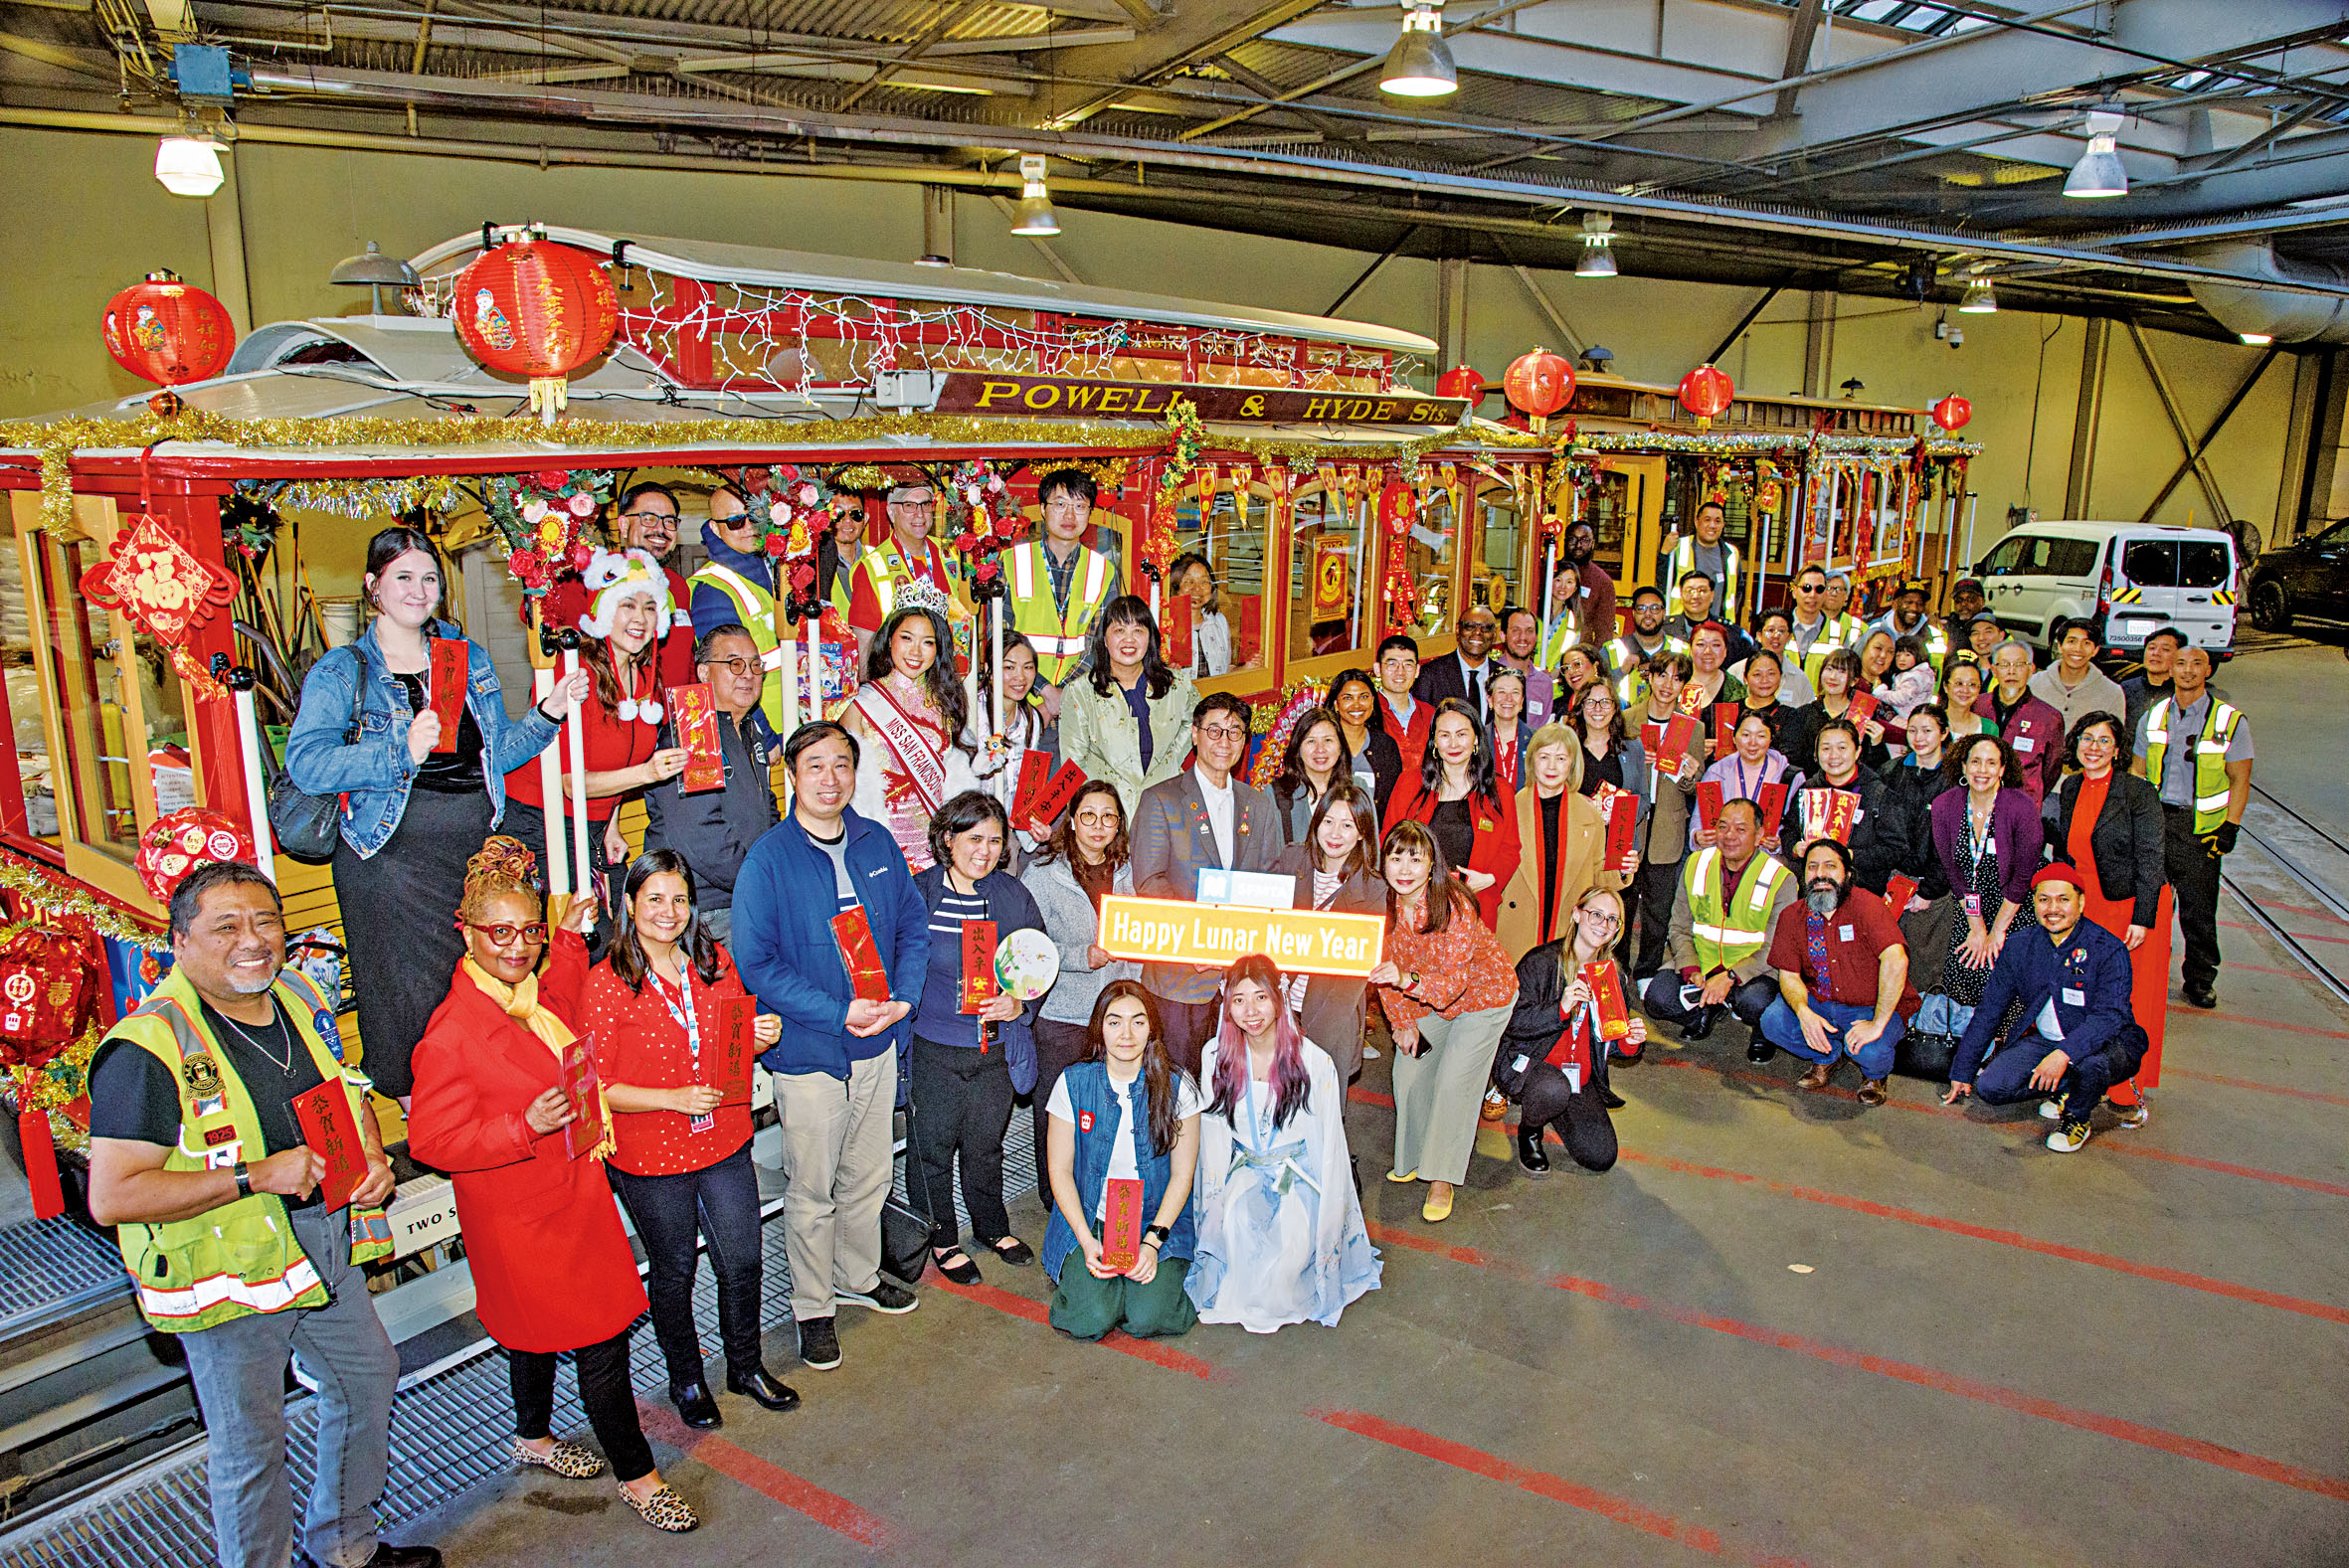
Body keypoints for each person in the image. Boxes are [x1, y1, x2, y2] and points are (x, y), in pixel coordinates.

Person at [86, 863, 428, 1568]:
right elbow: (113, 1195)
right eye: (227, 926)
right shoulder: (144, 1048)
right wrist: (251, 1177)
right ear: (178, 941)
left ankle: (344, 1544)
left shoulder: (296, 995)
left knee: (367, 1378)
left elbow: (345, 1085)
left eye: (265, 921)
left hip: (320, 1243)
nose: (253, 940)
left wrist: (369, 1156)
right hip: (228, 1273)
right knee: (251, 1447)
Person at [406, 840, 696, 1533]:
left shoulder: (531, 996)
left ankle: (532, 1437)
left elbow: (560, 989)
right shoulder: (453, 1032)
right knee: (600, 1342)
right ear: (466, 932)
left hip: (571, 1200)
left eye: (528, 931)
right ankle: (639, 1475)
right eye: (499, 933)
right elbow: (430, 1140)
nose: (517, 946)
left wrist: (567, 936)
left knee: (532, 1337)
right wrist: (520, 1124)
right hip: (522, 1218)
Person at [285, 526, 579, 1105]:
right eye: (403, 578)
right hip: (389, 863)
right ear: (373, 587)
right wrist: (400, 752)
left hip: (472, 852)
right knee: (404, 998)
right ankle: (424, 1113)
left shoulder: (463, 656)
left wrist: (548, 713)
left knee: (477, 982)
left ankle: (482, 1102)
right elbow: (307, 764)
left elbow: (497, 753)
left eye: (429, 579)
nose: (419, 591)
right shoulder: (343, 670)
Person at [731, 721, 925, 1373]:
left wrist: (903, 997)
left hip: (879, 1041)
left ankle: (859, 1275)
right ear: (792, 775)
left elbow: (913, 928)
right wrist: (839, 1010)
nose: (830, 778)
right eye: (815, 765)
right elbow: (757, 965)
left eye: (841, 764)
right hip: (812, 1050)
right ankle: (813, 1307)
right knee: (812, 1190)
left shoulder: (876, 843)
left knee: (870, 1174)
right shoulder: (769, 859)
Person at [582, 850, 796, 1430]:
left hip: (723, 1138)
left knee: (744, 1258)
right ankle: (686, 1379)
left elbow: (728, 1045)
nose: (668, 912)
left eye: (679, 899)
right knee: (674, 1270)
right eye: (654, 898)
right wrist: (671, 1098)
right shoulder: (606, 983)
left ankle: (744, 1365)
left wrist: (758, 1036)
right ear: (628, 905)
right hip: (650, 1151)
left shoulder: (714, 961)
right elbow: (596, 1087)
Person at [1187, 956, 1381, 1330]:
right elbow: (1212, 1138)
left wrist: (1330, 1216)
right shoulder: (1215, 1055)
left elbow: (1329, 1146)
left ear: (1279, 997)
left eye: (1260, 997)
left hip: (1298, 1178)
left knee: (1289, 1256)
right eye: (1239, 1000)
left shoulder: (1313, 1061)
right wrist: (1211, 1206)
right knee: (1238, 1227)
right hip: (1243, 1172)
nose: (1251, 1011)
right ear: (1227, 1004)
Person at [502, 547, 692, 904]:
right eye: (627, 605)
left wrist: (612, 822)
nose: (640, 618)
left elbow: (619, 757)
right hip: (542, 824)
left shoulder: (644, 674)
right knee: (581, 938)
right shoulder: (574, 672)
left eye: (650, 607)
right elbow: (573, 782)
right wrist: (648, 773)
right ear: (605, 611)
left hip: (594, 824)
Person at [908, 791, 1044, 1285]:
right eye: (973, 838)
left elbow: (1037, 964)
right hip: (934, 1046)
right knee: (934, 1148)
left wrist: (1020, 1005)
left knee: (987, 1145)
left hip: (995, 1046)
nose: (984, 850)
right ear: (948, 839)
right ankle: (942, 1237)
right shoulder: (919, 894)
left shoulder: (1011, 895)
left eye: (994, 839)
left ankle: (991, 1226)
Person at [1368, 820, 1521, 1223]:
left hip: (1483, 998)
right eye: (1395, 856)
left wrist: (1405, 982)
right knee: (1408, 1071)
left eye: (1415, 858)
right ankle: (1416, 1157)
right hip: (1428, 1000)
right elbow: (1378, 970)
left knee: (1456, 1082)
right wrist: (1401, 1021)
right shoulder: (1381, 903)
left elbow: (1452, 985)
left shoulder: (1454, 904)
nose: (1404, 868)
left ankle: (1443, 1178)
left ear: (1432, 862)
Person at [1942, 865, 2148, 1153]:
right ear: (2034, 903)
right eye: (2044, 899)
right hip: (2047, 1040)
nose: (2053, 908)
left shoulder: (2108, 949)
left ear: (2081, 903)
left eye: (2063, 899)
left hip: (2110, 1043)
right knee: (1991, 1087)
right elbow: (1990, 1010)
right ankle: (2069, 1086)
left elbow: (2108, 1017)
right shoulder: (2019, 946)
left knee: (2091, 1066)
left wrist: (2064, 1054)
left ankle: (2077, 1117)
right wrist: (1963, 1068)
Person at [1130, 694, 1284, 1073]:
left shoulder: (1258, 804)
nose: (1225, 741)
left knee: (1237, 1087)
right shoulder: (1161, 799)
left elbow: (1271, 879)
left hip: (1244, 982)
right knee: (1176, 1091)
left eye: (1235, 732)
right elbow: (1150, 882)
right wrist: (1198, 942)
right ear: (1195, 735)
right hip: (1181, 979)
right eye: (1214, 730)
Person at [1042, 982, 1202, 1341]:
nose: (1126, 1034)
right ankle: (1102, 1289)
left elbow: (1182, 1176)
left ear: (1152, 1029)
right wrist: (1086, 1240)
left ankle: (1143, 1286)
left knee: (1150, 1318)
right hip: (1091, 1218)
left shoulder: (1180, 1087)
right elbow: (1059, 1171)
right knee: (1088, 1319)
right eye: (1114, 1022)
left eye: (1138, 1022)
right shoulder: (1072, 1083)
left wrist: (1151, 1242)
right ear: (1099, 1028)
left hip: (1157, 1221)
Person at [2049, 711, 2168, 1127]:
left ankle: (2126, 1088)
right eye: (2086, 738)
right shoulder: (2071, 787)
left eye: (2104, 741)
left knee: (2128, 999)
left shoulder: (2137, 792)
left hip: (2130, 905)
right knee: (2082, 992)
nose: (2093, 748)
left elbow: (2152, 858)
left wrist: (2143, 916)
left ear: (2118, 750)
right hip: (2086, 904)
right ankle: (2084, 1079)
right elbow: (2065, 853)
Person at [1020, 780, 1141, 1193]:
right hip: (1062, 1016)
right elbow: (1025, 944)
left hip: (1119, 1015)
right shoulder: (1042, 872)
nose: (1098, 826)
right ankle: (1054, 1197)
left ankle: (1099, 1192)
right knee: (1057, 1113)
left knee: (1109, 1109)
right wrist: (1078, 956)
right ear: (1071, 821)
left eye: (1109, 817)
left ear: (1119, 824)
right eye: (1088, 815)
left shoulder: (1131, 869)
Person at [641, 622, 778, 946]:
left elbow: (767, 808)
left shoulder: (748, 728)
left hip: (745, 895)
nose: (748, 674)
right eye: (734, 664)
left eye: (756, 665)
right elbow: (700, 835)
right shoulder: (695, 730)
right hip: (707, 909)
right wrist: (762, 881)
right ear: (703, 673)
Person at [2133, 641, 2252, 1010]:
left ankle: (2200, 978)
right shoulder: (2152, 717)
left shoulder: (2229, 721)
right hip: (2156, 822)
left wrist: (2229, 827)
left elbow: (2240, 779)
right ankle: (2142, 970)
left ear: (2208, 671)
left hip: (2199, 830)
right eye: (2180, 663)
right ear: (2170, 670)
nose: (2186, 670)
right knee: (2148, 901)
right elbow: (2137, 773)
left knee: (2198, 909)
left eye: (2195, 664)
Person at [1496, 886, 1645, 1174]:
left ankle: (1553, 1106)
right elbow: (1511, 1022)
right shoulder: (1540, 962)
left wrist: (1629, 1041)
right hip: (1532, 1064)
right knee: (1552, 1088)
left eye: (1613, 920)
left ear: (1618, 930)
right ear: (1577, 914)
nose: (1604, 925)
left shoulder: (1611, 975)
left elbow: (1610, 1042)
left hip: (1578, 1075)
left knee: (1601, 1156)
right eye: (1596, 915)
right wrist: (1560, 1008)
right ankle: (1530, 1129)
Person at [1759, 838, 1915, 1106]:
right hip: (1819, 1003)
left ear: (1848, 874)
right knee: (1772, 1021)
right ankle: (1828, 1058)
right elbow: (1788, 975)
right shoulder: (1792, 915)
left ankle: (1874, 1076)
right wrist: (1803, 1012)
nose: (1820, 875)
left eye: (1830, 866)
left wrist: (1877, 1023)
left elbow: (1896, 960)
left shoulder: (1868, 906)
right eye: (1812, 867)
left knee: (1873, 1052)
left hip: (1870, 1008)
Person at [1642, 796, 1795, 1054]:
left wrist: (1731, 976)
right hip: (1703, 964)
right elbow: (1679, 926)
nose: (1729, 835)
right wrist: (1690, 967)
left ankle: (1762, 1030)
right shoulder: (1696, 864)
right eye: (1723, 826)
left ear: (1759, 835)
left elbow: (1777, 945)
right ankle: (1706, 1010)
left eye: (1741, 829)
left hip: (1754, 973)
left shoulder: (1781, 879)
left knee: (1755, 1003)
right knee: (1657, 999)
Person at [843, 603, 982, 873]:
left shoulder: (946, 704)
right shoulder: (860, 704)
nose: (916, 651)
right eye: (906, 638)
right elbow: (850, 786)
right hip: (878, 841)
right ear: (889, 640)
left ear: (938, 649)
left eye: (927, 642)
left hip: (934, 844)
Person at [1272, 784, 1387, 1083]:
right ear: (1317, 823)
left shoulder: (1374, 889)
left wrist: (1311, 1042)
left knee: (1322, 1117)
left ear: (1362, 832)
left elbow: (1351, 982)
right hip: (1276, 1012)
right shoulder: (1290, 861)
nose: (1335, 834)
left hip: (1329, 1022)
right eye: (1328, 822)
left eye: (1348, 825)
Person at [537, 481, 697, 689]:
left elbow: (687, 660)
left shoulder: (677, 586)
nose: (661, 529)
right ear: (623, 525)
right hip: (614, 713)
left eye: (669, 521)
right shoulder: (595, 576)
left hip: (675, 715)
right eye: (648, 519)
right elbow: (541, 614)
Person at [1928, 733, 2044, 1019]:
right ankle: (1966, 1044)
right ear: (1963, 767)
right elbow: (1956, 874)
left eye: (1991, 763)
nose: (1983, 770)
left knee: (2006, 974)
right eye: (1975, 762)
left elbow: (2022, 877)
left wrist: (1998, 931)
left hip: (2015, 906)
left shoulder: (2021, 807)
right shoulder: (1944, 805)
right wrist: (1977, 927)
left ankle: (2003, 1051)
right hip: (1972, 906)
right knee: (1966, 965)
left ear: (2003, 770)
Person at [1383, 698, 1522, 931]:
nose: (1454, 743)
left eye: (1461, 734)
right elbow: (1387, 840)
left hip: (1474, 904)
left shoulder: (1499, 791)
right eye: (1445, 735)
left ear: (1476, 738)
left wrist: (1489, 879)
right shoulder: (1409, 784)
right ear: (1434, 741)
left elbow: (1511, 849)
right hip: (1414, 906)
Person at [1056, 594, 1200, 816]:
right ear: (1104, 639)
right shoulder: (1080, 693)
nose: (1129, 640)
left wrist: (1171, 759)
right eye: (1119, 631)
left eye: (1138, 631)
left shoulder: (1177, 685)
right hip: (1107, 814)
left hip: (1165, 805)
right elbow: (1074, 766)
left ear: (1150, 638)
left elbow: (1195, 721)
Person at [1003, 468, 1120, 720]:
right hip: (1019, 703)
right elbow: (1000, 638)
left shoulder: (1103, 570)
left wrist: (1060, 697)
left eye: (1079, 505)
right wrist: (1044, 690)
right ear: (1043, 509)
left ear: (1090, 512)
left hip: (1080, 705)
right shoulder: (1012, 562)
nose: (1069, 514)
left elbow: (1101, 644)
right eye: (1060, 504)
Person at [1496, 720, 1610, 960]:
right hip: (1518, 927)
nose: (1552, 766)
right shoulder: (1509, 808)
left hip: (1567, 928)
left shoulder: (1590, 815)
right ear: (1532, 761)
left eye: (1561, 758)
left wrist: (1622, 869)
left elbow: (1600, 875)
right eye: (1544, 756)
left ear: (1572, 764)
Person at [1624, 653, 1706, 982]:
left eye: (1676, 679)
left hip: (1668, 826)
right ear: (1650, 678)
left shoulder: (1693, 728)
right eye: (1662, 676)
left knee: (1659, 909)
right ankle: (1616, 968)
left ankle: (1646, 971)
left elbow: (1693, 787)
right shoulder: (1629, 719)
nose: (1667, 685)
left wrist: (1689, 775)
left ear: (1683, 686)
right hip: (1631, 823)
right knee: (1624, 902)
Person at [687, 483, 789, 731]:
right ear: (715, 528)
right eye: (735, 521)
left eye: (755, 516)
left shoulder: (771, 566)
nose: (749, 527)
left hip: (795, 722)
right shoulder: (712, 589)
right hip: (762, 732)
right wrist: (763, 734)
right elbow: (723, 678)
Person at [1883, 703, 1956, 992]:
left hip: (1934, 884)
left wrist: (1930, 889)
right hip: (1896, 876)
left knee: (1924, 957)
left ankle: (1923, 1020)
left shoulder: (1955, 778)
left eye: (1927, 730)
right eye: (1912, 730)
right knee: (1890, 951)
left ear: (1944, 733)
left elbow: (1951, 840)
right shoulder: (1892, 771)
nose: (1919, 737)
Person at [848, 479, 961, 660]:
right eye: (909, 505)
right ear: (891, 513)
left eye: (925, 504)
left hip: (949, 674)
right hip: (896, 681)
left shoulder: (950, 554)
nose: (920, 515)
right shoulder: (870, 567)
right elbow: (864, 651)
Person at [971, 631, 1055, 871]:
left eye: (1028, 667)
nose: (1020, 677)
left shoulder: (1031, 721)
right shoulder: (970, 713)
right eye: (1009, 667)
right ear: (989, 668)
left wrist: (1035, 826)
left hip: (1007, 842)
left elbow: (1026, 787)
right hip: (970, 834)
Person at [1801, 717, 1903, 896]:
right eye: (1826, 748)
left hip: (1863, 892)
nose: (1834, 755)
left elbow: (1895, 849)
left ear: (1857, 752)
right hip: (1814, 891)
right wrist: (1794, 847)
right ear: (1816, 754)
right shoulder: (1808, 789)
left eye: (1842, 748)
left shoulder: (1879, 793)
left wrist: (1851, 855)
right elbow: (1790, 831)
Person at [1697, 712, 1803, 857]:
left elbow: (1794, 830)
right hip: (1723, 858)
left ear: (1771, 739)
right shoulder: (1716, 772)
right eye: (1746, 735)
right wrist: (1697, 836)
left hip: (1767, 861)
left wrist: (1779, 843)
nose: (1752, 743)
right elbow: (1699, 817)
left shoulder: (1790, 777)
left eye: (1761, 736)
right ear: (1734, 738)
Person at [1977, 638, 2066, 802]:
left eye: (2019, 665)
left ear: (2031, 669)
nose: (2011, 671)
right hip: (1979, 800)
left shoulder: (2049, 717)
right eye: (2004, 665)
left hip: (2023, 803)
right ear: (1994, 670)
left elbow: (2051, 770)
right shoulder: (1977, 706)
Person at [1327, 666, 1406, 816]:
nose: (1357, 705)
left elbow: (1394, 803)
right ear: (1336, 704)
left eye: (1364, 697)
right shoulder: (1324, 745)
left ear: (1373, 701)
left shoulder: (1386, 746)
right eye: (1347, 698)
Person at [1272, 706, 1354, 847]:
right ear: (1298, 748)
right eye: (1311, 741)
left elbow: (1370, 852)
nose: (1320, 749)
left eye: (1328, 740)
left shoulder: (1357, 789)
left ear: (1340, 747)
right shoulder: (1277, 794)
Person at [1570, 679, 1650, 819]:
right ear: (1581, 708)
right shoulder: (1567, 748)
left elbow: (1643, 798)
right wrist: (1574, 801)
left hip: (1619, 837)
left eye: (1605, 702)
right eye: (1590, 702)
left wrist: (1621, 816)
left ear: (1615, 708)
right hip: (1578, 836)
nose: (1598, 708)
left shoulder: (1633, 747)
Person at [2029, 618, 2125, 733]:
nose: (2078, 649)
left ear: (2095, 650)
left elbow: (2114, 738)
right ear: (2060, 645)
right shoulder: (2033, 684)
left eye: (2086, 643)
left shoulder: (2112, 693)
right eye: (2072, 641)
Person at [1602, 586, 1684, 708]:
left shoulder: (1682, 650)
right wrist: (1622, 671)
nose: (1648, 614)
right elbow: (1594, 691)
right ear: (1633, 613)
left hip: (1668, 722)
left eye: (1655, 608)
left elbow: (1693, 694)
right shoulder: (1611, 649)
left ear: (1664, 613)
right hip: (1622, 721)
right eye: (1641, 609)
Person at [1724, 646, 1810, 765]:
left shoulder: (1791, 716)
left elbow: (1790, 758)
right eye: (1757, 675)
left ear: (1780, 677)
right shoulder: (1729, 710)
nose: (1764, 680)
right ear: (1745, 678)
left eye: (1771, 674)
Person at [1810, 647, 1889, 773]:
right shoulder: (1805, 713)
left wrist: (1877, 744)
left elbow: (1878, 767)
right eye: (1829, 669)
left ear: (1854, 681)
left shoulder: (1863, 713)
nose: (1832, 677)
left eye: (1842, 672)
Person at [1662, 499, 1741, 622]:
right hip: (1683, 626)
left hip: (1718, 627)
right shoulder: (1678, 547)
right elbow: (1661, 581)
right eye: (1707, 520)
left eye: (1717, 521)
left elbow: (1738, 590)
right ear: (1697, 522)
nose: (1712, 525)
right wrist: (1664, 553)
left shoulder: (1731, 553)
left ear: (1723, 525)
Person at [1786, 564, 1865, 682]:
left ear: (1824, 594)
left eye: (1819, 589)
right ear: (1795, 591)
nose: (1812, 595)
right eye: (1806, 588)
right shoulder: (1777, 627)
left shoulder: (1840, 634)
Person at [1414, 603, 1501, 709]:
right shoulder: (1431, 674)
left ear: (1494, 635)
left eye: (1486, 627)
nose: (1478, 632)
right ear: (1458, 630)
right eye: (1469, 626)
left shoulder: (1504, 678)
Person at [1373, 634, 1434, 776]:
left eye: (1408, 665)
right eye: (1392, 664)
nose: (1400, 672)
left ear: (1417, 671)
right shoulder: (1368, 713)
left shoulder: (1430, 714)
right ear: (1378, 669)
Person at [1169, 551, 1233, 679]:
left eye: (1204, 582)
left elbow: (1227, 669)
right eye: (1188, 581)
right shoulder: (1165, 626)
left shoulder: (1219, 622)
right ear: (1175, 586)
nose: (1197, 589)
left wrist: (1246, 668)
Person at [1664, 573, 1753, 664]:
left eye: (1702, 591)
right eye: (1690, 591)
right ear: (1681, 596)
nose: (1695, 596)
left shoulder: (1731, 632)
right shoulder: (1664, 629)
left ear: (1712, 596)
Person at [1736, 609, 1819, 707]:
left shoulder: (1800, 680)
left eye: (1781, 631)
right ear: (1759, 635)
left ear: (1789, 637)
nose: (1776, 636)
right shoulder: (1736, 671)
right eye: (1770, 630)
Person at [1496, 605, 1559, 723]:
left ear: (1536, 637)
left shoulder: (1544, 684)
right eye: (1516, 630)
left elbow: (1541, 733)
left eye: (1529, 631)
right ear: (1503, 636)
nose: (1523, 637)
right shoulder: (1489, 676)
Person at [2120, 625, 2187, 733]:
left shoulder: (2185, 693)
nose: (2156, 653)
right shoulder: (2124, 689)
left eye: (2165, 649)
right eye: (2151, 648)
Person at [1870, 578, 1948, 669]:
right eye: (1908, 602)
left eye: (1919, 604)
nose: (1914, 608)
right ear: (1895, 604)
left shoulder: (1934, 636)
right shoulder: (1875, 629)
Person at [1560, 518, 1619, 640]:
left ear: (1593, 544)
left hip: (1580, 653)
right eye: (1573, 539)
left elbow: (1604, 634)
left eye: (1585, 540)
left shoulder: (1603, 582)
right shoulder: (1550, 571)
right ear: (1565, 542)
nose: (1578, 545)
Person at [816, 497, 867, 624]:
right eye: (839, 514)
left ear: (865, 519)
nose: (847, 521)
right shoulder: (815, 566)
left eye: (855, 514)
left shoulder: (876, 560)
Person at [1486, 666, 1533, 796]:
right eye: (1501, 692)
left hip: (1525, 814)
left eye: (1515, 692)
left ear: (1522, 701)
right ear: (1490, 700)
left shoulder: (1537, 740)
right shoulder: (1476, 740)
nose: (1508, 698)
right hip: (1486, 814)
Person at [1683, 621, 1744, 715]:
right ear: (1690, 649)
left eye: (1716, 645)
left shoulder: (1735, 689)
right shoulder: (1676, 680)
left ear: (1725, 651)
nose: (1708, 651)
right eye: (1701, 644)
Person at [1536, 561, 1584, 669]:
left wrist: (1553, 673)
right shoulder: (1534, 611)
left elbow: (1566, 658)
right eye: (1558, 580)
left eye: (1569, 582)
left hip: (1552, 681)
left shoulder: (1573, 622)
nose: (1563, 587)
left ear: (1575, 588)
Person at [1938, 655, 1993, 743]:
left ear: (1979, 689)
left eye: (1972, 684)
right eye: (1959, 683)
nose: (1965, 690)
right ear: (1946, 686)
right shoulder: (1932, 722)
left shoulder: (1989, 727)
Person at [1942, 576, 1987, 650]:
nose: (1963, 604)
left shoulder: (1994, 628)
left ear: (1982, 601)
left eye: (1970, 599)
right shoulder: (1944, 626)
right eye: (1958, 600)